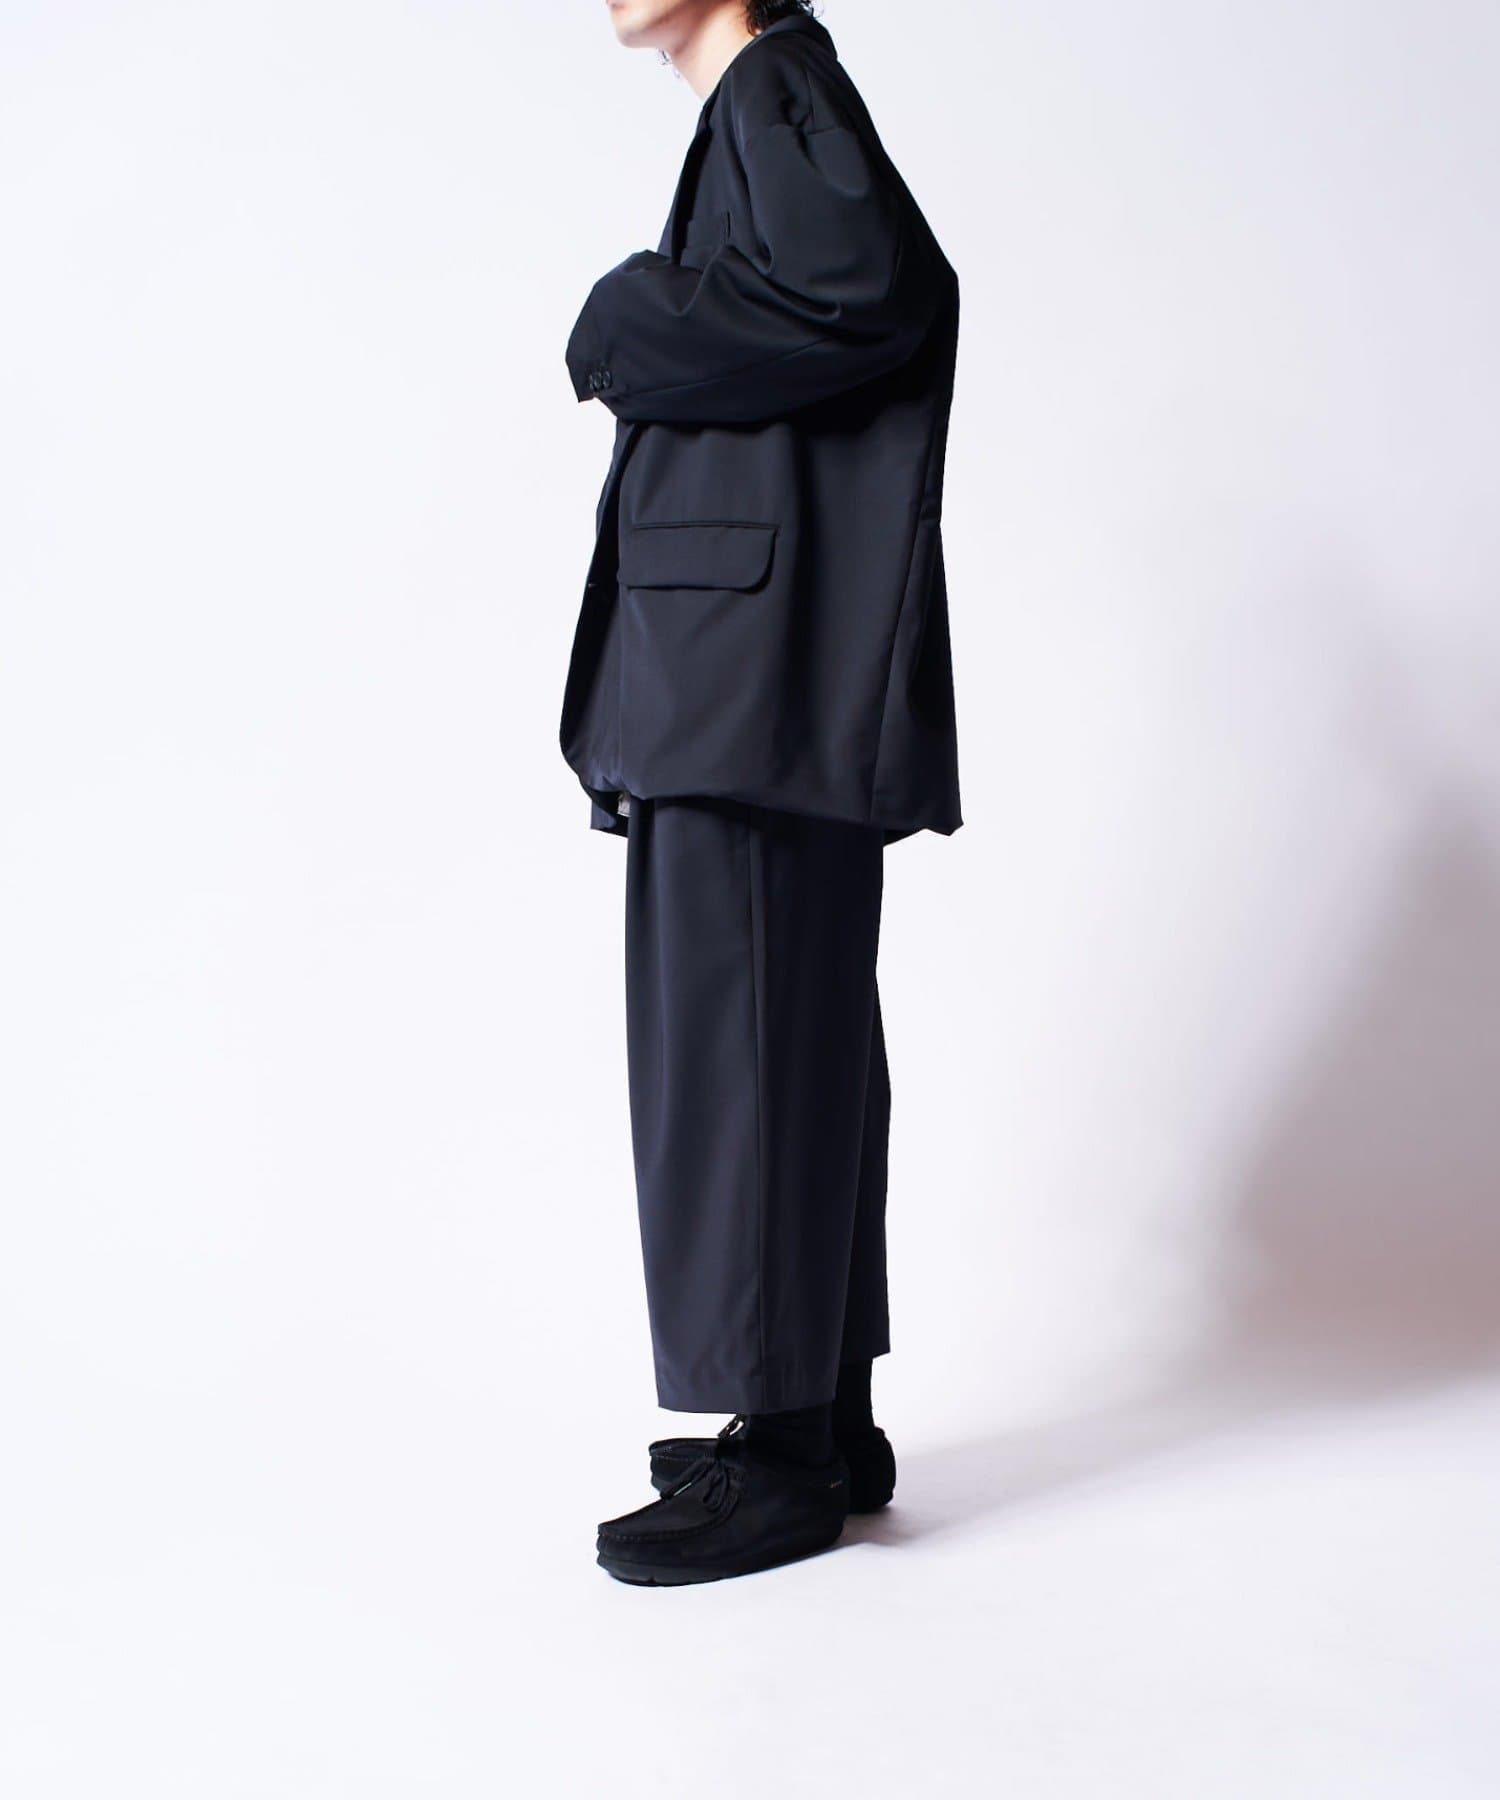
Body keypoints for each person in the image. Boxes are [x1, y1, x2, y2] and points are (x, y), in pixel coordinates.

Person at [561, 0, 962, 1584]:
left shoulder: (776, 86)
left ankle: (781, 1462)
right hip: (754, 675)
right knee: (789, 1042)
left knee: (735, 1052)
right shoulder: (766, 101)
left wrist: (626, 317)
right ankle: (816, 1421)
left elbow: (873, 292)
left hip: (741, 681)